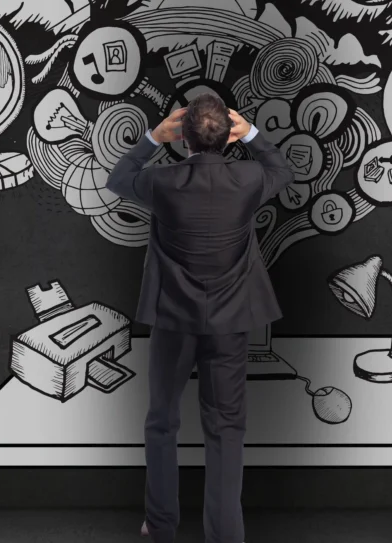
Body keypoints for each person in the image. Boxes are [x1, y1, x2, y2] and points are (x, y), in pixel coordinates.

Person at [106, 93, 295, 543]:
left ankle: (161, 526)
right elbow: (283, 170)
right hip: (231, 322)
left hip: (173, 319)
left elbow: (118, 177)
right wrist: (249, 131)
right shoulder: (249, 177)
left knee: (162, 420)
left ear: (182, 137)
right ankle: (226, 534)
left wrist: (154, 136)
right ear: (227, 137)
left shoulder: (162, 182)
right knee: (226, 429)